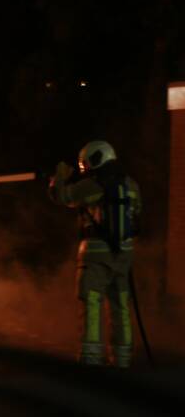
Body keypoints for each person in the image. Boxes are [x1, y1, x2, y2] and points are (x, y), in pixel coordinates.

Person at [49, 141, 141, 367]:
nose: (85, 169)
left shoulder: (91, 186)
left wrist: (59, 176)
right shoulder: (131, 185)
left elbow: (61, 196)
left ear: (95, 159)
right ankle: (122, 360)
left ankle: (90, 360)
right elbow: (136, 213)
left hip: (95, 257)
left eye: (86, 164)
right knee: (121, 307)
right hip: (124, 256)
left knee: (91, 305)